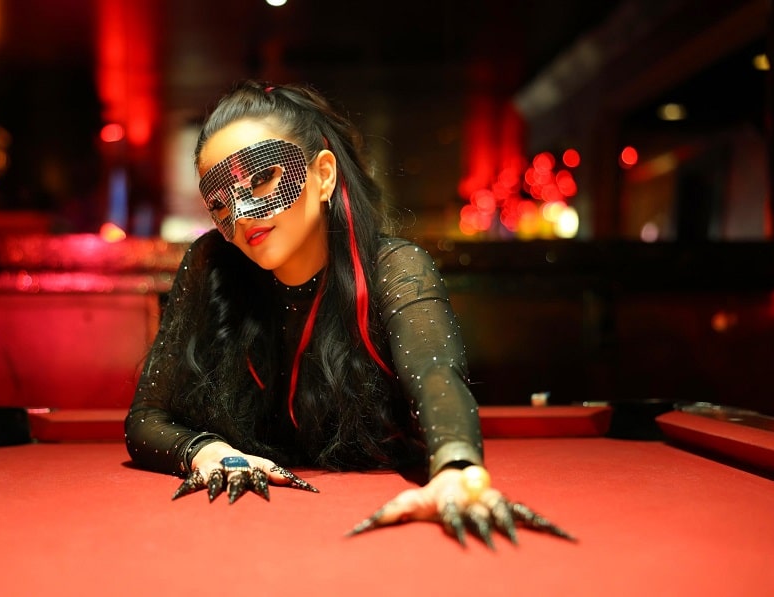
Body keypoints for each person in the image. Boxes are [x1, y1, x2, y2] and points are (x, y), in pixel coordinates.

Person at [124, 80, 573, 549]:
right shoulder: (211, 264)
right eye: (220, 202)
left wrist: (458, 468)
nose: (243, 212)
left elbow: (436, 375)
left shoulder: (392, 268)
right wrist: (208, 452)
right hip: (246, 543)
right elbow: (146, 417)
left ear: (322, 175)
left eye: (261, 179)